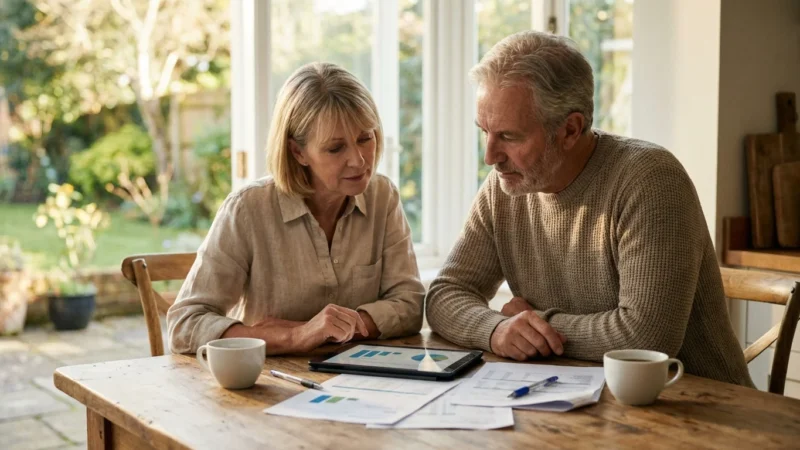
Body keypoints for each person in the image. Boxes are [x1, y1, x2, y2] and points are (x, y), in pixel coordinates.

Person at [426, 31, 754, 386]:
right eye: (484, 132)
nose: (490, 156)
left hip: (697, 407)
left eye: (509, 136)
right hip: (573, 398)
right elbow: (444, 296)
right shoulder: (505, 188)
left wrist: (537, 323)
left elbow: (645, 337)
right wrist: (497, 329)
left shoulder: (650, 180)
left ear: (570, 129)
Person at [168, 62, 424, 354]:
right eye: (335, 148)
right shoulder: (247, 209)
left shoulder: (383, 196)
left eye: (365, 138)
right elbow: (184, 324)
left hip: (358, 381)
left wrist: (348, 325)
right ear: (298, 152)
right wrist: (296, 337)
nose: (359, 160)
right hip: (271, 387)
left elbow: (410, 304)